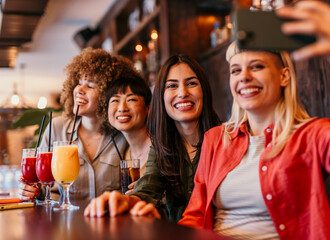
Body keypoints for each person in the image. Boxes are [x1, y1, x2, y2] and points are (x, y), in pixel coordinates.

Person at [178, 1, 330, 239]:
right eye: (235, 70)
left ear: (284, 76)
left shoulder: (309, 134)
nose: (244, 77)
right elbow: (195, 214)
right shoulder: (215, 139)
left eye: (257, 66)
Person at [84, 54, 221, 222]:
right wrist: (125, 201)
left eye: (191, 83)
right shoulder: (162, 145)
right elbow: (148, 187)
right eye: (172, 86)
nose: (182, 93)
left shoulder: (225, 139)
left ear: (204, 90)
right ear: (161, 97)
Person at [18, 47, 142, 201]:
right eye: (78, 83)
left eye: (90, 86)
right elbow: (41, 184)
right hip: (65, 221)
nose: (79, 90)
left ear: (108, 94)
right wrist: (31, 190)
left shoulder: (123, 133)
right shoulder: (57, 128)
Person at [104, 73, 152, 190]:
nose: (122, 108)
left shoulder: (162, 149)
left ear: (148, 108)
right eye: (115, 100)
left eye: (131, 99)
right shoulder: (123, 151)